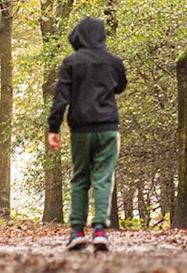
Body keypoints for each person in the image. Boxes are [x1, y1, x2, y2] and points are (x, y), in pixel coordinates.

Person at [46, 16, 127, 252]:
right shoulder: (113, 62)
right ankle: (100, 231)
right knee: (103, 178)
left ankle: (77, 232)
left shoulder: (71, 63)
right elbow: (121, 86)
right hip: (108, 128)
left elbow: (61, 97)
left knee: (80, 178)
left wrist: (53, 128)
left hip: (81, 129)